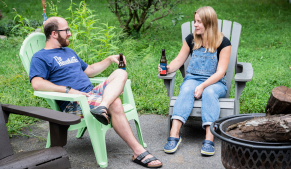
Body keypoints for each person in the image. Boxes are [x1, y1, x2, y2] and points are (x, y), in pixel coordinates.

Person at [29, 17, 162, 168]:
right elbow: (37, 83)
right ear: (54, 34)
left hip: (92, 94)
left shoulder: (68, 52)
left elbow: (89, 70)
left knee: (121, 73)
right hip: (75, 102)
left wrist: (110, 59)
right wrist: (67, 90)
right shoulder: (40, 57)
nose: (69, 33)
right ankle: (138, 151)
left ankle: (103, 105)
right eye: (66, 30)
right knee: (116, 102)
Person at [159, 6, 231, 156]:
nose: (195, 25)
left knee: (209, 93)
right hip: (193, 79)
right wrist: (166, 68)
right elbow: (179, 60)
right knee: (186, 89)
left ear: (209, 23)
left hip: (215, 83)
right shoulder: (191, 39)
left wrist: (203, 86)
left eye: (199, 22)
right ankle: (174, 135)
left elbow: (220, 72)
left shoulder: (223, 42)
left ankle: (209, 138)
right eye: (195, 21)